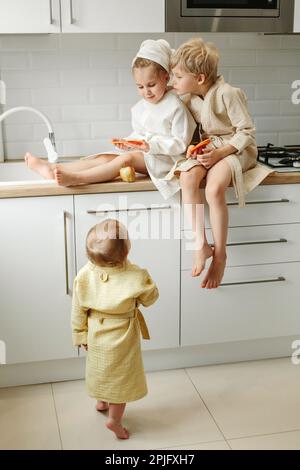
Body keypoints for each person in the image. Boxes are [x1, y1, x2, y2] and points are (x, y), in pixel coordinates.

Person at [24, 39, 196, 201]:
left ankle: (77, 178)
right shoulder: (141, 107)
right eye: (140, 87)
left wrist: (150, 146)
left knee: (124, 160)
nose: (146, 92)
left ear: (166, 77)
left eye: (151, 85)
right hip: (147, 153)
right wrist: (129, 143)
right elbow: (140, 133)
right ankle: (54, 169)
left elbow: (180, 143)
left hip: (168, 160)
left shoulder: (175, 106)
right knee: (108, 157)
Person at [170, 37, 262, 289]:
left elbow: (247, 132)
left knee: (213, 188)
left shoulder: (228, 94)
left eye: (178, 76)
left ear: (199, 78)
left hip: (237, 149)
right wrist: (192, 146)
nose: (173, 81)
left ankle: (220, 254)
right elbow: (194, 132)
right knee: (188, 177)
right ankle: (200, 243)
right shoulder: (190, 99)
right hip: (211, 149)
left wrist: (221, 154)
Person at [71, 218, 159, 439]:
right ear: (127, 252)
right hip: (123, 334)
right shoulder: (136, 275)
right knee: (121, 378)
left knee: (100, 368)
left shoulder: (84, 274)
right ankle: (115, 420)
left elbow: (78, 308)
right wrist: (147, 279)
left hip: (96, 332)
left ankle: (101, 401)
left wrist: (80, 333)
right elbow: (151, 299)